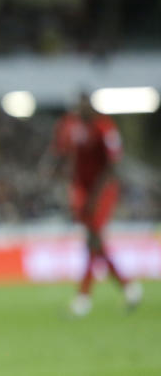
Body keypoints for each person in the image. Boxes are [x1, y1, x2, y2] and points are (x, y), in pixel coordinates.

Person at [47, 93, 142, 316]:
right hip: (82, 189)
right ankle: (127, 287)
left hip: (103, 190)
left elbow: (112, 165)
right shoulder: (73, 127)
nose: (79, 111)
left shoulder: (105, 128)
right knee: (94, 243)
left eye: (82, 106)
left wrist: (95, 197)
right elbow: (62, 153)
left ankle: (84, 298)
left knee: (93, 240)